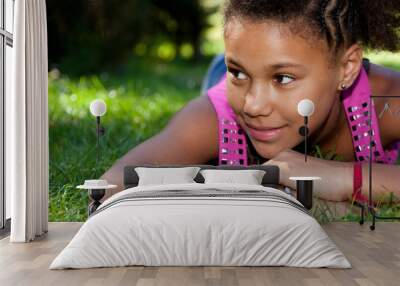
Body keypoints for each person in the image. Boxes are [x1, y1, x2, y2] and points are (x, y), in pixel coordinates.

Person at [101, 0, 400, 204]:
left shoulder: (387, 100)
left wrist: (344, 177)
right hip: (219, 77)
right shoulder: (215, 115)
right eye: (239, 72)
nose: (253, 106)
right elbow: (109, 186)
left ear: (346, 68)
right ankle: (227, 67)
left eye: (283, 78)